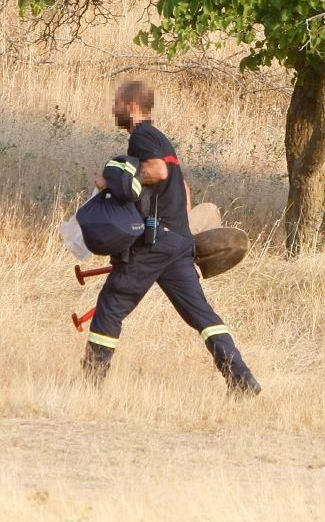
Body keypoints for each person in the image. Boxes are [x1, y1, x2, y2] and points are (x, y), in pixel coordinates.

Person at [85, 81, 261, 395]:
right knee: (204, 317)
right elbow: (183, 187)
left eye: (117, 103)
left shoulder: (142, 136)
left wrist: (114, 182)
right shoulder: (162, 139)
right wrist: (179, 223)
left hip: (155, 243)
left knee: (111, 305)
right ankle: (242, 382)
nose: (114, 109)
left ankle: (89, 384)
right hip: (179, 243)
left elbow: (159, 172)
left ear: (133, 107)